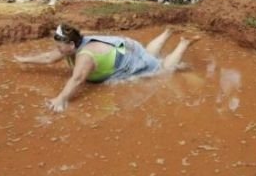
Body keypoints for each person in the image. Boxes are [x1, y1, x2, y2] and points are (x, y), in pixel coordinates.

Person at [14, 23, 199, 112]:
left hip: (125, 57)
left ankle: (183, 43)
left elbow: (77, 79)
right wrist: (25, 59)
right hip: (122, 47)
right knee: (147, 56)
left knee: (161, 69)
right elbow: (48, 58)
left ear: (71, 45)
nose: (56, 50)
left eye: (59, 47)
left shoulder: (84, 56)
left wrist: (60, 99)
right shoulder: (71, 46)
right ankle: (167, 32)